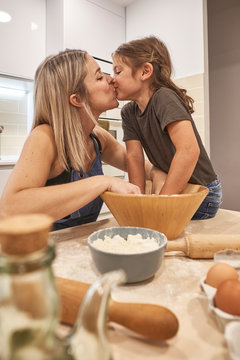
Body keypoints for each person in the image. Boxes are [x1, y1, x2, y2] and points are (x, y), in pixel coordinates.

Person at [0, 49, 160, 230]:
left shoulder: (98, 138)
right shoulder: (45, 137)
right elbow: (10, 208)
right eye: (99, 77)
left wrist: (156, 173)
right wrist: (103, 182)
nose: (111, 79)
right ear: (77, 99)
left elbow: (134, 163)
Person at [112, 36, 222, 220]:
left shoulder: (163, 98)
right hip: (179, 189)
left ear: (145, 71)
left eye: (118, 71)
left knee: (156, 224)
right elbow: (134, 157)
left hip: (203, 192)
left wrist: (163, 203)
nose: (112, 79)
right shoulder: (129, 112)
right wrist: (137, 200)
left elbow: (188, 150)